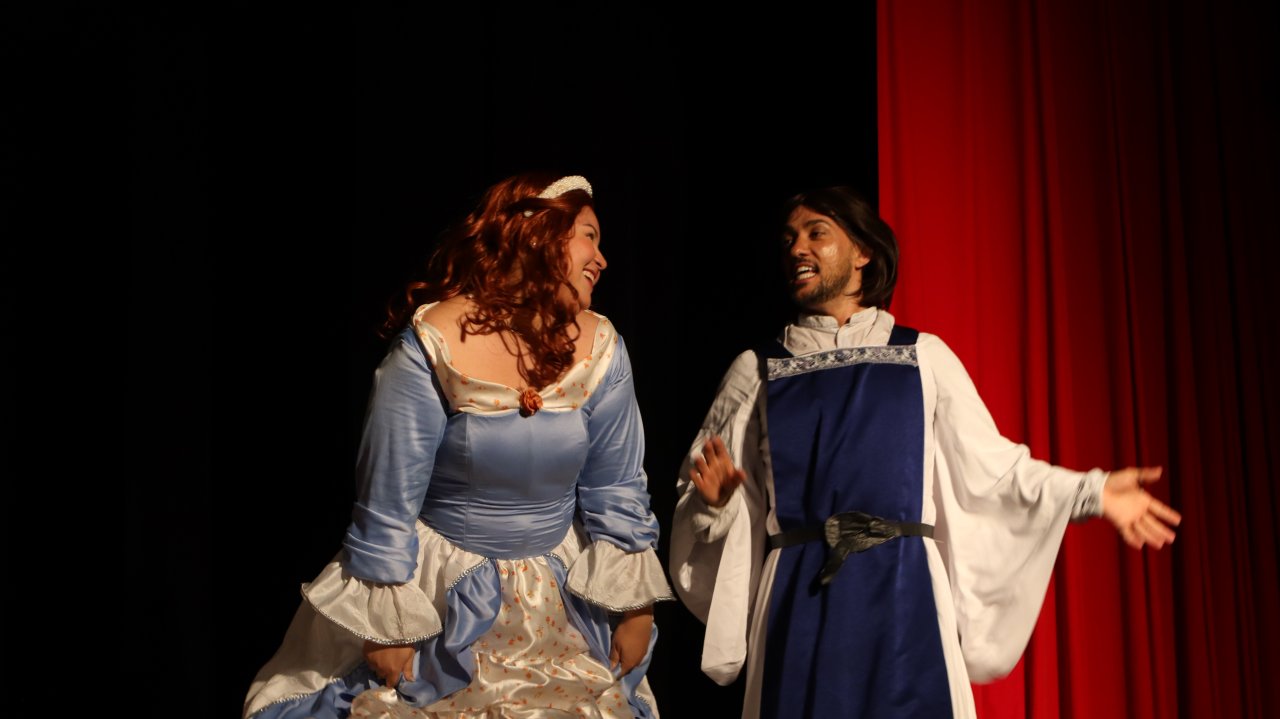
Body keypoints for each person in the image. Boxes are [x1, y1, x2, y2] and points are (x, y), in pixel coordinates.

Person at [669, 186, 1182, 719]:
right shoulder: (758, 370)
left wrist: (1093, 490)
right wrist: (713, 504)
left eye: (816, 233)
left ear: (863, 252)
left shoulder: (922, 356)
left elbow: (998, 472)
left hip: (903, 595)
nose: (798, 247)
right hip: (800, 601)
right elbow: (698, 488)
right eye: (789, 239)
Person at [245, 173, 673, 719]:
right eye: (589, 236)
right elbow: (388, 499)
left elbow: (616, 486)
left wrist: (635, 607)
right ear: (535, 233)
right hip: (443, 593)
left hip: (559, 597)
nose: (602, 259)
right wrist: (386, 624)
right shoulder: (434, 343)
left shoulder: (601, 348)